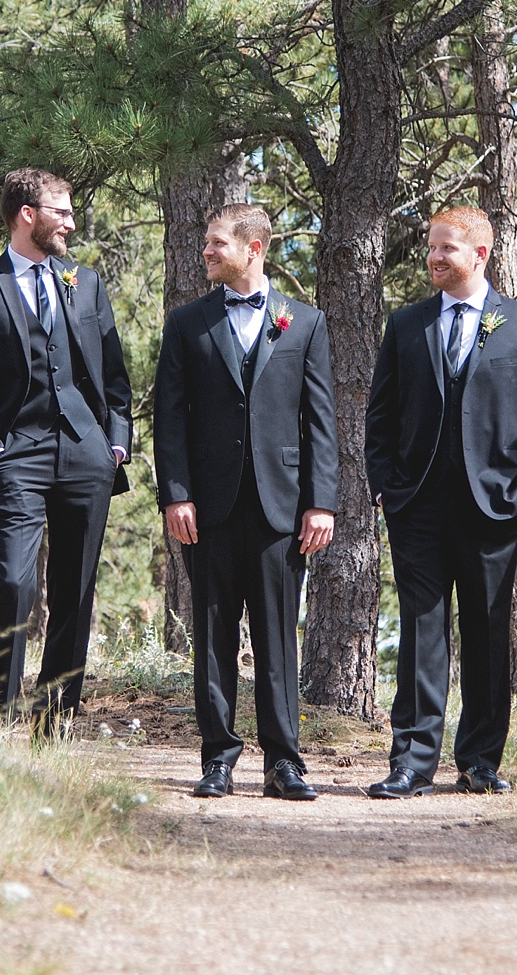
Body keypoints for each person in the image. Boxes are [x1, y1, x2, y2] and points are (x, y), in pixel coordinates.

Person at [363, 207, 517, 798]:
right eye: (431, 247)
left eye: (446, 248)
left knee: (486, 636)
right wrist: (384, 485)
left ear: (480, 255)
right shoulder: (407, 324)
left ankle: (479, 762)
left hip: (493, 507)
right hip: (416, 505)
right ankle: (412, 764)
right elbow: (381, 415)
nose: (433, 257)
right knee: (421, 635)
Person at [153, 204, 337, 801]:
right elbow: (170, 419)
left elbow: (321, 422)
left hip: (282, 506)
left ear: (253, 248)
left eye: (215, 244)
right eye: (206, 243)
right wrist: (175, 493)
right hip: (206, 505)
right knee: (211, 634)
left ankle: (285, 762)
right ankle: (218, 757)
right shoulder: (187, 323)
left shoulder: (304, 323)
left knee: (280, 636)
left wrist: (321, 503)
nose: (205, 251)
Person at [0, 169, 132, 723]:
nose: (72, 223)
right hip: (15, 455)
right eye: (62, 211)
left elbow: (115, 380)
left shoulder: (85, 282)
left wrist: (114, 446)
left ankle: (57, 718)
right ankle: (1, 711)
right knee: (14, 581)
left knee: (75, 589)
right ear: (28, 213)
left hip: (85, 453)